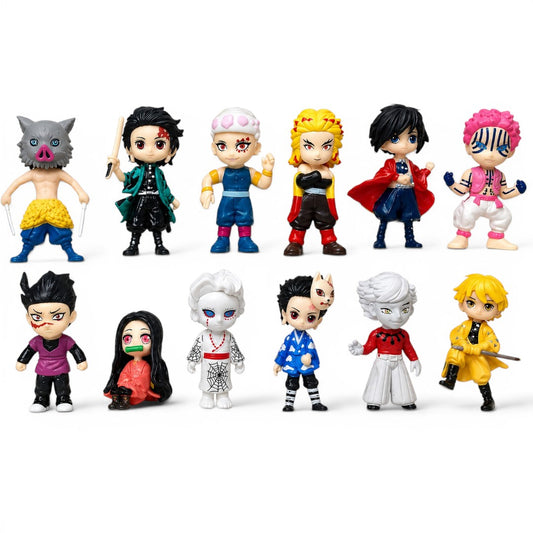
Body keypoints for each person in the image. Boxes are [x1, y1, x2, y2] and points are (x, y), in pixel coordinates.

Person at [1, 116, 89, 262]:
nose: (44, 149)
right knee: (31, 232)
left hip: (54, 207)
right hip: (37, 208)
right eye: (34, 143)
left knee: (62, 231)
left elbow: (72, 182)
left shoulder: (58, 173)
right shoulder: (33, 174)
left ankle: (70, 252)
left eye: (54, 143)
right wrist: (7, 194)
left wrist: (81, 193)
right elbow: (17, 182)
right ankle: (23, 253)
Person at [348, 104, 434, 248]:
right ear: (383, 143)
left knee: (408, 216)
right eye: (395, 138)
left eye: (412, 138)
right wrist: (396, 177)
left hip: (408, 194)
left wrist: (427, 170)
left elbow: (417, 174)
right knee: (385, 216)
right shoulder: (390, 163)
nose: (404, 145)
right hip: (393, 193)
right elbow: (382, 174)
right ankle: (380, 239)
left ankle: (410, 239)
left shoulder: (410, 163)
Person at [443, 109, 526, 250]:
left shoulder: (500, 175)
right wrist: (451, 183)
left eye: (501, 147)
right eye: (481, 146)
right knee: (465, 213)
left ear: (511, 152)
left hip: (493, 202)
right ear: (468, 147)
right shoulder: (470, 173)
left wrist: (517, 190)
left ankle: (496, 239)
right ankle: (461, 237)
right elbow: (462, 190)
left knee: (504, 215)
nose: (491, 154)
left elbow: (504, 193)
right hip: (475, 201)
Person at [107, 106, 183, 255]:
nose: (150, 151)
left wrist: (172, 200)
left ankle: (159, 245)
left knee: (157, 222)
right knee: (136, 222)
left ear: (170, 151)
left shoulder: (159, 173)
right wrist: (116, 169)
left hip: (156, 199)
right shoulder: (137, 172)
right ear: (130, 150)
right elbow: (125, 179)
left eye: (159, 144)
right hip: (140, 199)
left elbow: (164, 189)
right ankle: (133, 245)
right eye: (140, 144)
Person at [200, 107, 274, 253]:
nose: (231, 153)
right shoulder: (222, 172)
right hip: (226, 201)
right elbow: (208, 178)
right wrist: (206, 190)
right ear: (214, 148)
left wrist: (268, 170)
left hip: (243, 201)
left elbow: (263, 183)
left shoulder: (250, 172)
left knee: (245, 219)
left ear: (256, 148)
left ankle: (245, 239)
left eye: (241, 146)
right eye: (222, 146)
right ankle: (222, 239)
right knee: (224, 218)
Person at [16, 271, 87, 412]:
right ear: (29, 318)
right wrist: (22, 361)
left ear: (71, 316)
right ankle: (41, 399)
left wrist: (81, 361)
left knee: (62, 387)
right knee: (41, 387)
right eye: (37, 317)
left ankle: (63, 398)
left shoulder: (66, 341)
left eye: (57, 316)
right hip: (42, 370)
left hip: (61, 369)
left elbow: (76, 350)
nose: (47, 324)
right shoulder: (36, 341)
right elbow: (28, 352)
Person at [439, 274, 510, 411]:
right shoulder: (464, 326)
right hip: (464, 352)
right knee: (454, 352)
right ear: (462, 304)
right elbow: (456, 335)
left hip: (477, 356)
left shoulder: (486, 330)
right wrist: (463, 343)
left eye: (488, 306)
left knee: (481, 375)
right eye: (471, 303)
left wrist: (480, 346)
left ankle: (488, 399)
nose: (478, 310)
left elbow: (493, 342)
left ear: (497, 311)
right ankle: (450, 379)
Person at [284, 108, 346, 256]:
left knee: (326, 220)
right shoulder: (304, 168)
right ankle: (295, 242)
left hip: (322, 200)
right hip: (305, 200)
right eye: (309, 146)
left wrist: (318, 177)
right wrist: (318, 175)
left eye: (326, 147)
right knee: (300, 220)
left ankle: (329, 242)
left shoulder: (327, 171)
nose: (318, 154)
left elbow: (327, 184)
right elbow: (302, 181)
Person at [187, 270, 245, 408]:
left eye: (228, 313)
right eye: (209, 313)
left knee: (224, 383)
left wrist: (238, 361)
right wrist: (192, 361)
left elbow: (234, 350)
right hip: (208, 364)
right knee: (206, 381)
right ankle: (206, 396)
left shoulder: (228, 337)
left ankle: (223, 396)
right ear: (196, 312)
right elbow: (196, 349)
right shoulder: (203, 336)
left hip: (224, 365)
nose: (219, 320)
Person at [274, 275, 329, 411]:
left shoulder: (307, 339)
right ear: (285, 314)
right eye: (294, 315)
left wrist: (309, 356)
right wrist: (278, 363)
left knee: (311, 382)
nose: (302, 322)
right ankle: (289, 403)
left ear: (318, 321)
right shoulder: (289, 338)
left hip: (306, 365)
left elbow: (311, 349)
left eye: (310, 317)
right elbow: (283, 350)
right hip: (292, 364)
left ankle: (316, 402)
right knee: (291, 384)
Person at [104, 310, 172, 410]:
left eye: (145, 338)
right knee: (117, 389)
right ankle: (116, 401)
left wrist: (131, 384)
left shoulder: (145, 365)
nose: (135, 343)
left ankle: (125, 402)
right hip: (126, 384)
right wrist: (124, 382)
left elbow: (143, 380)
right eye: (127, 339)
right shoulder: (129, 364)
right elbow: (124, 374)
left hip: (138, 387)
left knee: (127, 390)